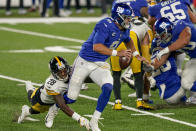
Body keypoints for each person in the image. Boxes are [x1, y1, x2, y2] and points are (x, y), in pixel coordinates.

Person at [58, 3, 149, 131]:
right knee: (71, 98)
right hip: (85, 61)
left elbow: (128, 40)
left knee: (107, 87)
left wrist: (136, 54)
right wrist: (118, 53)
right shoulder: (104, 25)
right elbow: (97, 47)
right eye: (127, 17)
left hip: (100, 63)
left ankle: (94, 121)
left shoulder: (124, 28)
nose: (129, 20)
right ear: (118, 17)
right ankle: (54, 108)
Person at [17, 56, 90, 130]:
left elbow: (87, 78)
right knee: (34, 109)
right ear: (54, 73)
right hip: (41, 100)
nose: (63, 74)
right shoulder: (52, 83)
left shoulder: (71, 71)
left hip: (57, 96)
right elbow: (62, 105)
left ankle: (53, 108)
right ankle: (29, 90)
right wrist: (79, 118)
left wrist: (100, 82)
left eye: (64, 70)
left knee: (72, 96)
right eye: (60, 72)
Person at [110, 0, 154, 110]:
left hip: (116, 35)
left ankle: (118, 102)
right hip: (135, 32)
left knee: (116, 73)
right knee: (139, 71)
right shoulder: (139, 3)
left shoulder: (116, 4)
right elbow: (147, 14)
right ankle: (141, 99)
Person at [143, 36, 196, 104]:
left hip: (167, 98)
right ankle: (194, 97)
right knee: (189, 69)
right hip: (178, 91)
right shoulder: (167, 52)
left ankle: (185, 100)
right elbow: (183, 49)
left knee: (174, 75)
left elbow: (145, 80)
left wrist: (145, 98)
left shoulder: (149, 61)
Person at [152, 17, 196, 99]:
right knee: (186, 83)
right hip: (194, 59)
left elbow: (184, 41)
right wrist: (150, 68)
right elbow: (161, 60)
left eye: (162, 35)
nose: (161, 38)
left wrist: (167, 49)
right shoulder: (166, 40)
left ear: (167, 30)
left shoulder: (179, 26)